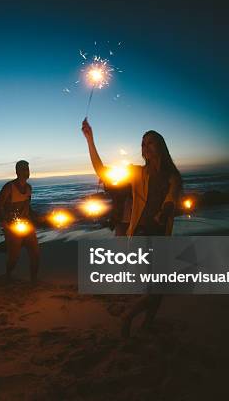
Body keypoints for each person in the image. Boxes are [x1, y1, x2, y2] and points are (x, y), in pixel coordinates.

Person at [81, 119, 182, 336]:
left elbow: (171, 197)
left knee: (158, 288)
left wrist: (164, 211)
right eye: (143, 143)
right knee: (157, 287)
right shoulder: (137, 173)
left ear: (161, 146)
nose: (146, 147)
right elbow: (102, 170)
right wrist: (90, 139)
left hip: (161, 234)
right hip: (141, 234)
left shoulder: (173, 176)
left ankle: (146, 323)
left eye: (151, 142)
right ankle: (129, 317)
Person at [0, 160, 40, 283]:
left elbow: (28, 207)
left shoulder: (29, 188)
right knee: (14, 256)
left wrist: (37, 215)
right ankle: (8, 275)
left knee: (35, 253)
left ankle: (34, 280)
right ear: (17, 171)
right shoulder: (9, 187)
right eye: (23, 169)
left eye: (27, 169)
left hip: (27, 225)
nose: (26, 172)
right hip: (12, 226)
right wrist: (4, 222)